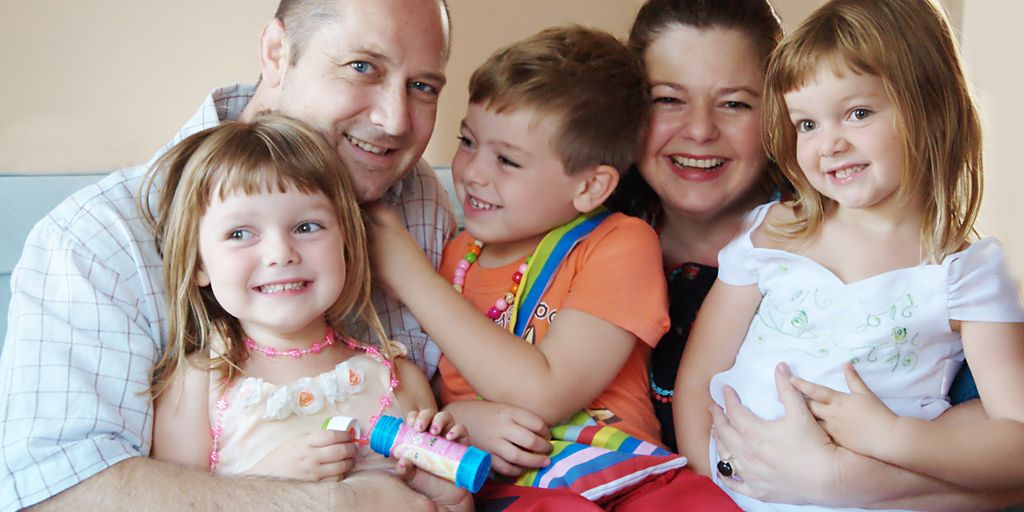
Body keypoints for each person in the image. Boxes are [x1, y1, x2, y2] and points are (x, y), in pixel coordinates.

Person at [0, 0, 467, 510]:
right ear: (275, 52)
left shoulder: (414, 197)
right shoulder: (94, 239)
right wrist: (335, 502)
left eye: (423, 86)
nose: (394, 120)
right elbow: (57, 489)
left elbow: (448, 405)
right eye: (361, 67)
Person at [367, 25, 738, 510]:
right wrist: (461, 418)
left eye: (507, 160)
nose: (473, 171)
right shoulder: (457, 253)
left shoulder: (620, 243)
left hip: (624, 480)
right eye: (467, 141)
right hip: (511, 490)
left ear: (590, 187)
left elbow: (546, 393)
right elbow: (435, 386)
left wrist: (411, 277)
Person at [675, 0, 1024, 510]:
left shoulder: (963, 272)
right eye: (807, 125)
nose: (828, 144)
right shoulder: (772, 234)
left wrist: (892, 436)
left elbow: (1016, 439)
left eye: (858, 113)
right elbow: (698, 380)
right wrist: (709, 478)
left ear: (929, 106)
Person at [146, 114, 465, 481]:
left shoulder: (397, 380)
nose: (280, 253)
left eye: (306, 227)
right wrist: (265, 485)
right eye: (239, 233)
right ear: (199, 263)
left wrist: (443, 483)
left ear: (346, 243)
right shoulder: (198, 386)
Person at [606, 0, 787, 453]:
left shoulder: (849, 243)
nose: (701, 130)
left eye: (734, 103)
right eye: (668, 99)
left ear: (778, 114)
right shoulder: (577, 226)